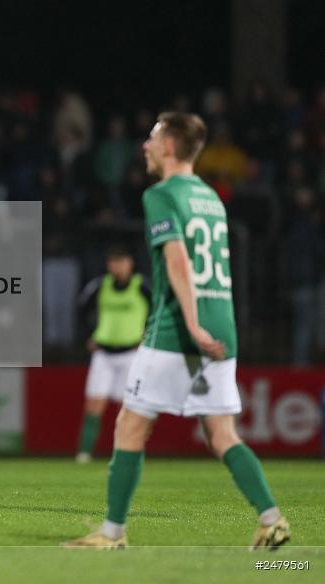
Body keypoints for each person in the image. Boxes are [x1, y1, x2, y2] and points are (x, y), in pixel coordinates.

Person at [64, 113, 289, 550]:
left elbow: (178, 261)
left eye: (151, 138)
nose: (145, 146)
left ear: (169, 146)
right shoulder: (210, 197)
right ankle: (271, 519)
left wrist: (190, 324)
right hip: (223, 323)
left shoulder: (161, 195)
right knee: (221, 433)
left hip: (179, 329)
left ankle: (112, 534)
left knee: (130, 425)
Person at [74, 247, 150, 463]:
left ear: (130, 263)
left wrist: (149, 334)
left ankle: (125, 452)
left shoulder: (141, 286)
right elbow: (81, 310)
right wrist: (88, 335)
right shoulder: (100, 285)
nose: (118, 266)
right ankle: (84, 453)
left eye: (122, 261)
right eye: (114, 262)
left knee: (127, 407)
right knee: (94, 404)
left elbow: (159, 310)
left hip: (131, 354)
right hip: (104, 354)